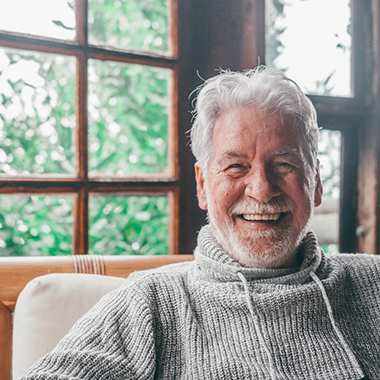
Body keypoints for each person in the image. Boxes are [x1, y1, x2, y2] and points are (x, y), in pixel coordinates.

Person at [21, 66, 379, 380]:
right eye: (236, 166)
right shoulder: (149, 304)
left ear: (315, 183)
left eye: (284, 165)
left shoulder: (373, 283)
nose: (262, 190)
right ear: (203, 185)